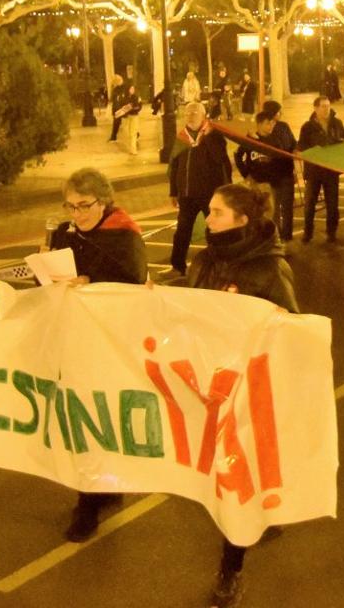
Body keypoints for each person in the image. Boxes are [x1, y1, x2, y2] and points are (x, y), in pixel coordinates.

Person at [188, 183, 297, 608]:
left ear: (242, 220)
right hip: (206, 384)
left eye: (216, 213)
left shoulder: (270, 269)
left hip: (247, 390)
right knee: (218, 473)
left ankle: (230, 571)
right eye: (209, 211)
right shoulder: (204, 259)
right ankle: (263, 515)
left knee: (233, 478)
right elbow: (187, 310)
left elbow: (292, 330)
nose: (208, 219)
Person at [48, 168, 148, 542]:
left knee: (99, 418)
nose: (77, 214)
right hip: (72, 341)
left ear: (103, 201)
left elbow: (134, 285)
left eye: (84, 205)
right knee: (81, 420)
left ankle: (91, 500)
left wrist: (93, 283)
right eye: (70, 206)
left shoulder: (123, 235)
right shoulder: (64, 233)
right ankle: (95, 493)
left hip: (110, 345)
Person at [164, 102, 232, 278]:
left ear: (203, 116)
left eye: (195, 112)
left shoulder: (214, 134)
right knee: (182, 232)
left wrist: (207, 138)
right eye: (187, 113)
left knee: (215, 230)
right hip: (187, 195)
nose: (191, 115)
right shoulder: (181, 138)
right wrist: (173, 191)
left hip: (209, 194)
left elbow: (221, 160)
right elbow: (175, 166)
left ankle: (219, 265)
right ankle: (178, 266)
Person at [234, 103, 297, 243]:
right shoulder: (249, 140)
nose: (271, 127)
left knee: (278, 211)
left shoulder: (275, 139)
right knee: (263, 212)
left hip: (277, 180)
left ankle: (279, 239)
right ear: (260, 124)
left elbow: (283, 155)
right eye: (268, 124)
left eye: (273, 124)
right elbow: (238, 156)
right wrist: (246, 174)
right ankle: (265, 239)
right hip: (260, 182)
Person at [299, 96, 344, 243]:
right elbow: (302, 147)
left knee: (333, 203)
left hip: (331, 170)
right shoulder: (307, 127)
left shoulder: (337, 123)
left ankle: (332, 232)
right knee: (310, 203)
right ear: (315, 108)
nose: (326, 109)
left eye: (328, 106)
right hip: (314, 171)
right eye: (323, 106)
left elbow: (343, 140)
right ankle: (308, 232)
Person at [117, 83, 142, 155]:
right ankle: (131, 147)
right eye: (131, 89)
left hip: (134, 116)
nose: (132, 90)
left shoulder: (136, 97)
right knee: (126, 132)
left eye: (133, 89)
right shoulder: (124, 97)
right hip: (126, 117)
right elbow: (122, 106)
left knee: (133, 133)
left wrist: (132, 108)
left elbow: (139, 106)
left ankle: (133, 149)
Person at [107, 74, 127, 142]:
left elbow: (115, 99)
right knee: (118, 122)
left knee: (124, 123)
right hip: (118, 108)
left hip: (121, 108)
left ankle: (113, 137)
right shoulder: (116, 89)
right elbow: (112, 99)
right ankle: (113, 136)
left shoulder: (123, 88)